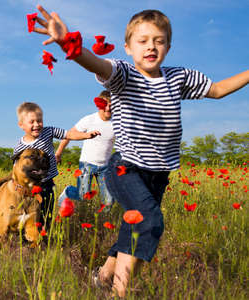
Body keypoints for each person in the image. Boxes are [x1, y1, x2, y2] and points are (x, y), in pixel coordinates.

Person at [31, 5, 248, 297]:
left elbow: (218, 90)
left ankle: (103, 276)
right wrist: (68, 43)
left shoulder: (178, 77)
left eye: (158, 40)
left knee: (131, 227)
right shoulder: (124, 75)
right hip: (126, 168)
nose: (151, 46)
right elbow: (98, 65)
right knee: (148, 221)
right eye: (143, 40)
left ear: (168, 46)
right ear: (128, 47)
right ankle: (119, 294)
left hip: (159, 173)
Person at [14, 102, 99, 229]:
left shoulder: (48, 131)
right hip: (29, 188)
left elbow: (68, 134)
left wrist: (86, 135)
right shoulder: (19, 147)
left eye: (39, 121)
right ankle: (28, 240)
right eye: (32, 122)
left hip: (47, 184)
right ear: (21, 125)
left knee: (46, 216)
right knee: (29, 216)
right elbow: (16, 170)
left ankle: (44, 238)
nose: (37, 124)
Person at [55, 90, 114, 211]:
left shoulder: (117, 123)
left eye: (111, 105)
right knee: (82, 196)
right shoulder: (90, 119)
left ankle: (103, 222)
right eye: (105, 105)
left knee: (108, 201)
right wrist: (58, 153)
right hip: (87, 164)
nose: (108, 108)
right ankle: (68, 191)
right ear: (99, 105)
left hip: (105, 167)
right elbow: (69, 134)